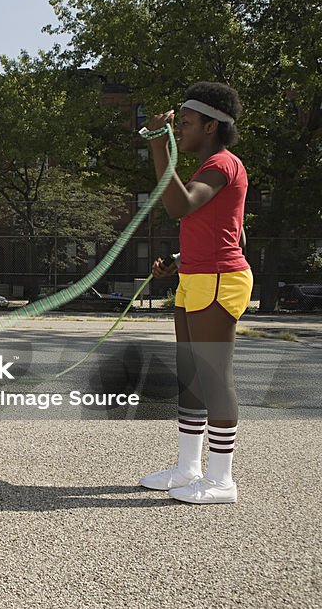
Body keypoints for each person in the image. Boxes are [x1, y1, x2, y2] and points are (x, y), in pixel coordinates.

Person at [140, 82, 252, 504]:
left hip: (220, 280)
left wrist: (157, 145)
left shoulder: (224, 164)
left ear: (210, 125)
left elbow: (181, 206)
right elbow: (225, 229)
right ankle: (189, 467)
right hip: (198, 276)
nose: (179, 129)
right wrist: (180, 258)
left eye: (186, 123)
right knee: (191, 377)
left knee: (214, 377)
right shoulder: (211, 168)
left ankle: (222, 479)